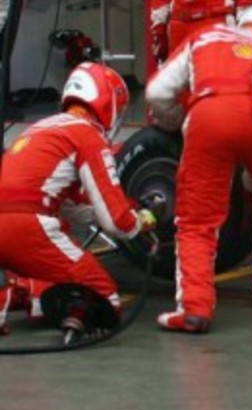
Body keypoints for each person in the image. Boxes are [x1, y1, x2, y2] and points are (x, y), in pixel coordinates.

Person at [146, 4, 252, 333]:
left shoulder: (205, 37)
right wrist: (249, 177)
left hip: (211, 116)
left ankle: (194, 308)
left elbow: (157, 93)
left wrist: (177, 121)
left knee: (197, 220)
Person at [0, 63, 155, 332]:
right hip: (28, 228)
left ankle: (27, 294)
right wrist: (143, 218)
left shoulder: (40, 128)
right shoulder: (86, 134)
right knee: (105, 298)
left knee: (60, 277)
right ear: (110, 102)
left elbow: (73, 206)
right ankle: (17, 295)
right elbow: (117, 222)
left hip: (13, 227)